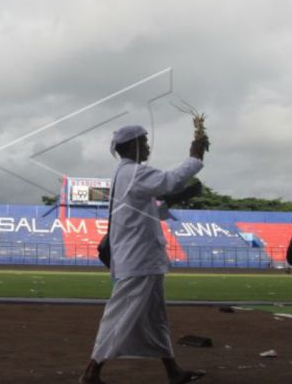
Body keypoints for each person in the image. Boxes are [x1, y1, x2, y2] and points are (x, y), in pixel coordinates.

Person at [80, 125, 207, 384]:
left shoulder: (125, 175)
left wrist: (177, 199)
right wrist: (195, 157)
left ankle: (173, 372)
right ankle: (91, 372)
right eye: (144, 141)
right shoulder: (134, 172)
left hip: (143, 261)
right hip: (139, 262)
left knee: (156, 320)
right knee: (118, 317)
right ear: (131, 146)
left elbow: (152, 212)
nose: (148, 146)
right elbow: (170, 181)